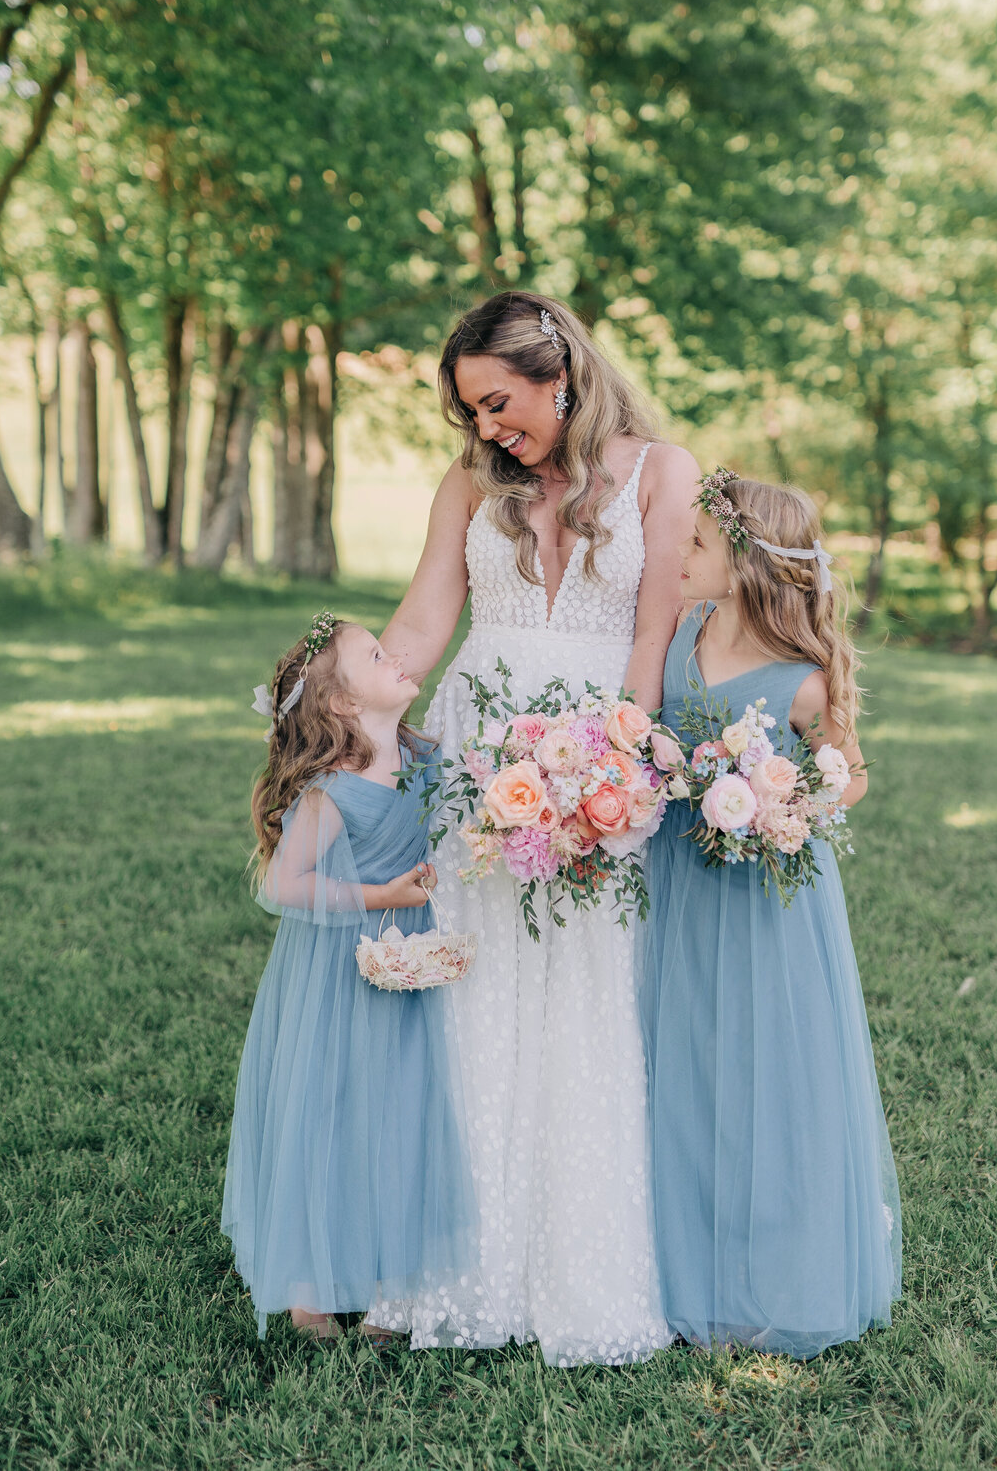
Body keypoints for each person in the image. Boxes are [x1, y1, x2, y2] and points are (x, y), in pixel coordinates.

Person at [368, 290, 700, 1365]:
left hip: (598, 756)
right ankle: (458, 1259)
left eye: (499, 402)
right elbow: (427, 611)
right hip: (479, 752)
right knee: (478, 988)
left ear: (561, 375)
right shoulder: (472, 482)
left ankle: (580, 1267)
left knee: (587, 997)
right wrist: (358, 720)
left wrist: (618, 767)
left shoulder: (663, 473)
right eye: (470, 411)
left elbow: (651, 639)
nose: (485, 429)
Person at [640, 472, 902, 1356]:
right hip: (677, 875)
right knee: (676, 1055)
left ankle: (772, 1264)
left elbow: (851, 776)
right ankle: (671, 1255)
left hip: (765, 898)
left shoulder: (804, 683)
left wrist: (790, 810)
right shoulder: (678, 633)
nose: (680, 555)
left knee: (762, 1066)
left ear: (745, 562)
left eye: (699, 545)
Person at [221, 611, 473, 1343]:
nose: (395, 654)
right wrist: (380, 897)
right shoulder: (334, 790)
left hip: (408, 963)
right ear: (340, 704)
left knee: (397, 1107)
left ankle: (390, 1274)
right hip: (338, 974)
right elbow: (284, 885)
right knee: (332, 1109)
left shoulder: (424, 758)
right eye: (373, 655)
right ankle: (309, 1289)